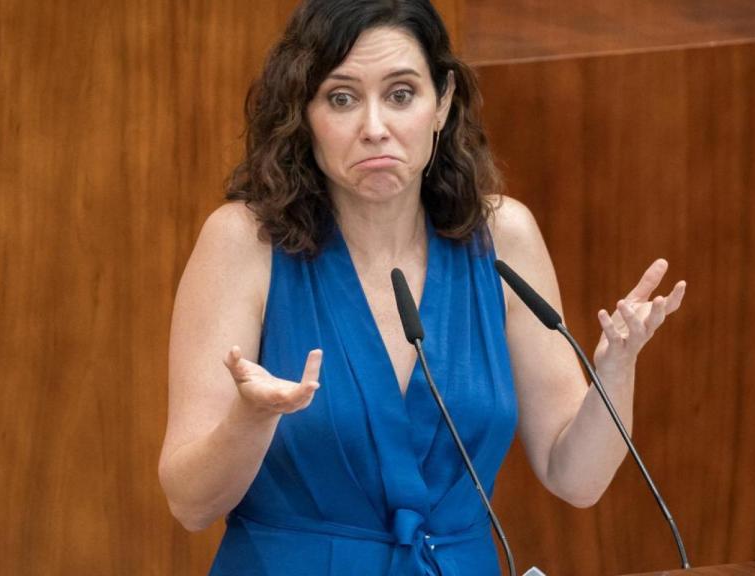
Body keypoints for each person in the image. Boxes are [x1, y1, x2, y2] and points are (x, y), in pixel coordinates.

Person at [158, 1, 686, 574]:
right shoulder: (245, 241)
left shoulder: (502, 236)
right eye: (341, 98)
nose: (375, 127)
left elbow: (575, 478)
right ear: (304, 113)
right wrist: (251, 419)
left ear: (444, 102)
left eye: (401, 93)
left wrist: (616, 370)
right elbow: (189, 504)